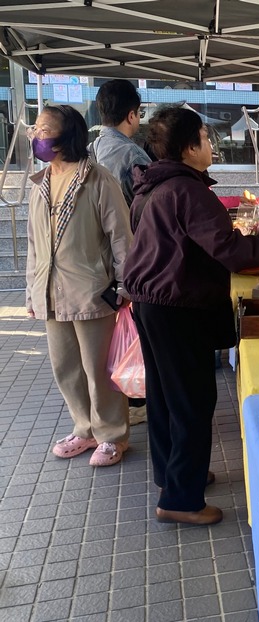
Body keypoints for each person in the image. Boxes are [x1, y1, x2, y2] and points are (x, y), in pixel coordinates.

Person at [124, 106, 259, 526]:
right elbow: (231, 251)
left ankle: (176, 475)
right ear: (188, 146)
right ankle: (182, 500)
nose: (211, 144)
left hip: (151, 303)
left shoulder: (153, 186)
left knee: (165, 397)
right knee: (192, 401)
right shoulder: (187, 190)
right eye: (205, 136)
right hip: (176, 306)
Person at [25, 105, 132, 467]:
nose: (36, 136)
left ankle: (112, 435)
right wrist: (30, 291)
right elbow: (33, 244)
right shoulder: (40, 183)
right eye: (36, 130)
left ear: (65, 136)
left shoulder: (98, 180)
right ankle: (84, 428)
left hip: (92, 291)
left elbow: (122, 238)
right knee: (65, 367)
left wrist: (125, 285)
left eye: (43, 130)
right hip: (50, 291)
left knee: (98, 368)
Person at [90, 78, 152, 426]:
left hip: (101, 259)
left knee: (116, 335)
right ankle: (137, 398)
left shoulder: (93, 150)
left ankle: (120, 399)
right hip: (132, 254)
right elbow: (145, 211)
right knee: (137, 332)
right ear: (132, 114)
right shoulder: (133, 155)